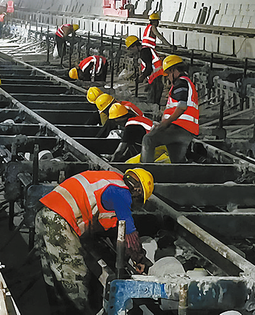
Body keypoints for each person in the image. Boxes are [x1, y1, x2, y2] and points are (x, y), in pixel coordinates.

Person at [36, 168, 153, 314]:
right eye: (138, 200)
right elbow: (130, 234)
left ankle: (58, 311)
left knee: (53, 275)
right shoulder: (122, 193)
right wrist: (139, 259)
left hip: (46, 212)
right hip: (60, 221)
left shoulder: (111, 180)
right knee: (74, 276)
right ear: (137, 190)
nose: (133, 205)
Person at [141, 55, 198, 163]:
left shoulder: (180, 84)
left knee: (148, 139)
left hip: (178, 128)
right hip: (187, 131)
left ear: (173, 70)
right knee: (177, 164)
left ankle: (144, 170)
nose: (167, 77)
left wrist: (165, 124)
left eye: (167, 74)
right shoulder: (186, 83)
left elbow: (182, 106)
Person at [125, 35, 164, 109]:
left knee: (152, 103)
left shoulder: (144, 52)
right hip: (156, 77)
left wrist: (142, 78)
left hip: (155, 77)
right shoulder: (145, 49)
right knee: (154, 102)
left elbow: (149, 68)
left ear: (134, 46)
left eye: (131, 49)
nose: (131, 51)